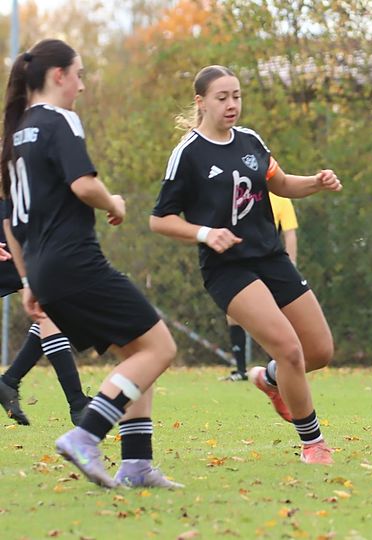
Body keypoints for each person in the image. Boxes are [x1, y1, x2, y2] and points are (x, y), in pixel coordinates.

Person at [2, 39, 180, 489]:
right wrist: (113, 202)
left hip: (44, 268)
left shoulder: (17, 133)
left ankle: (136, 465)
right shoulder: (59, 119)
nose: (82, 86)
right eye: (79, 75)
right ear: (58, 75)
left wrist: (27, 279)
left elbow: (9, 221)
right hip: (75, 262)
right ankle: (85, 435)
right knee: (160, 348)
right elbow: (83, 184)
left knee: (137, 354)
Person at [150, 65, 342, 465]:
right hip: (228, 269)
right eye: (222, 97)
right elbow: (160, 220)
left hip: (270, 257)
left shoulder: (250, 140)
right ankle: (313, 443)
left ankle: (269, 379)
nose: (231, 104)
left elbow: (281, 183)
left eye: (236, 96)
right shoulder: (188, 154)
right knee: (289, 349)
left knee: (319, 351)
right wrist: (205, 234)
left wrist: (316, 182)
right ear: (201, 102)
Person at [0, 200, 90, 426]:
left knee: (52, 310)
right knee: (52, 310)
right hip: (7, 239)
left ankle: (10, 381)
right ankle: (77, 404)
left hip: (15, 230)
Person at [222, 192, 298, 382]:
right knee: (233, 314)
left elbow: (290, 233)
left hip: (268, 263)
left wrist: (291, 265)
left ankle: (273, 367)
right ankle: (240, 370)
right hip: (240, 261)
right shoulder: (241, 193)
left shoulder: (281, 197)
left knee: (273, 312)